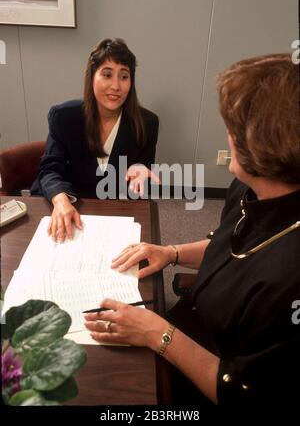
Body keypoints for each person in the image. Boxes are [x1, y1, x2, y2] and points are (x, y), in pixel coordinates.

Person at [84, 53, 300, 409]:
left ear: (263, 142)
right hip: (187, 325)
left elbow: (240, 392)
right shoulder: (250, 189)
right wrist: (172, 252)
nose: (227, 135)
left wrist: (158, 334)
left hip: (207, 378)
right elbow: (227, 242)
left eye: (233, 126)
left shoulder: (290, 275)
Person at [31, 38, 159, 242]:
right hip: (69, 206)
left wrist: (139, 176)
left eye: (124, 76)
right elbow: (50, 169)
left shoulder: (147, 123)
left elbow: (142, 168)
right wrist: (61, 199)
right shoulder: (64, 116)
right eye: (107, 74)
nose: (115, 85)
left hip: (113, 212)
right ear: (92, 77)